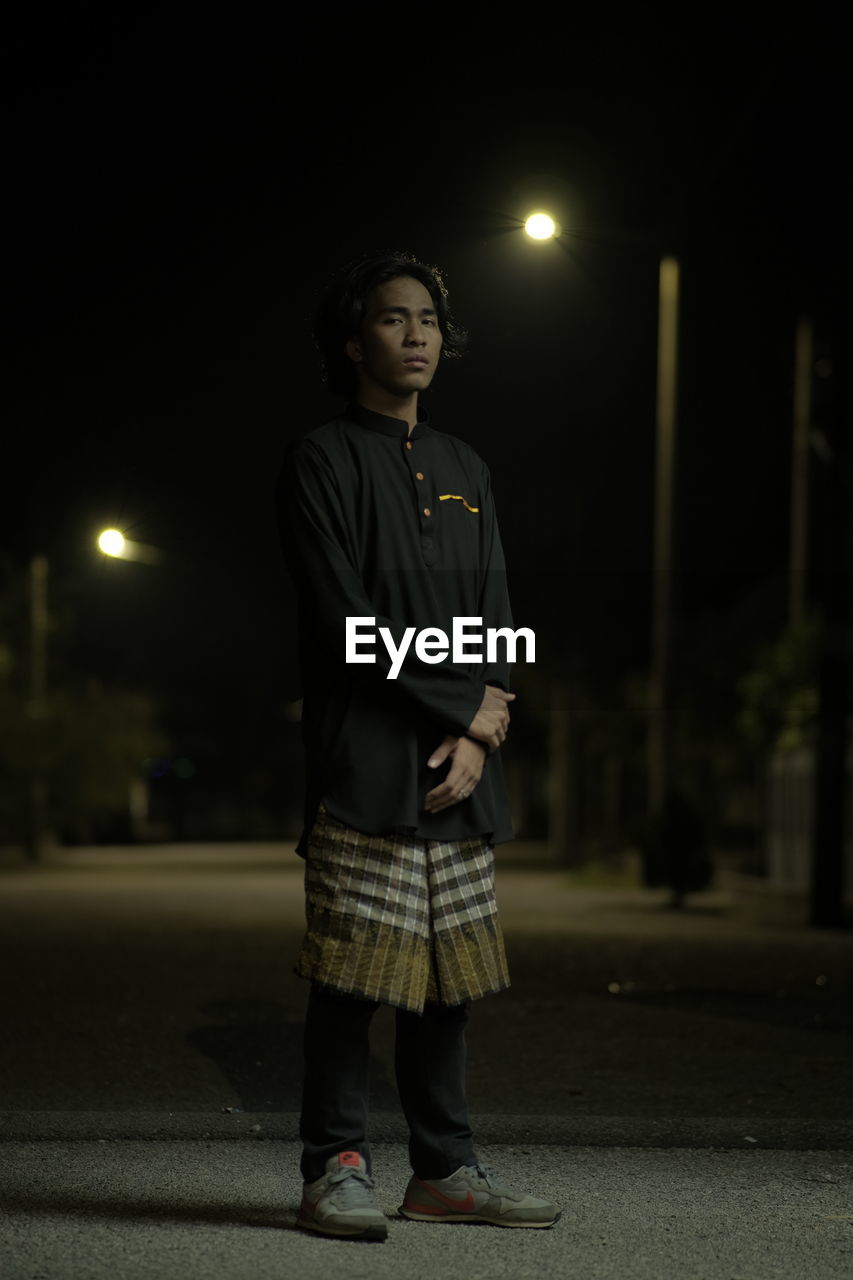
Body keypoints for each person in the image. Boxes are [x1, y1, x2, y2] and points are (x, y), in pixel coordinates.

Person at [276, 252, 560, 1240]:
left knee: (447, 979)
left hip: (457, 767)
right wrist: (461, 710)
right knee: (355, 975)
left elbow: (496, 613)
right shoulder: (322, 458)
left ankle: (444, 1167)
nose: (418, 333)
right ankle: (334, 1167)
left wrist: (485, 720)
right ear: (355, 342)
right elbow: (343, 620)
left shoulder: (465, 467)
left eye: (429, 317)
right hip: (365, 759)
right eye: (394, 319)